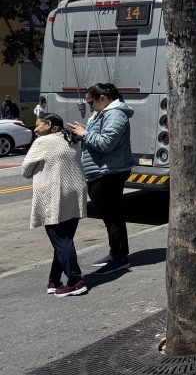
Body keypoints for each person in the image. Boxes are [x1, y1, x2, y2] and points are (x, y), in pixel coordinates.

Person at [69, 83, 133, 275]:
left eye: (90, 102)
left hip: (109, 172)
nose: (90, 106)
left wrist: (85, 133)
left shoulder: (115, 115)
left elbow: (106, 143)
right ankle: (116, 253)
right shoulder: (102, 113)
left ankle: (120, 257)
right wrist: (82, 132)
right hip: (100, 171)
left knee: (113, 216)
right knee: (109, 216)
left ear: (103, 98)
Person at [21, 113, 88, 297]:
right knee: (64, 239)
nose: (34, 129)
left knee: (61, 239)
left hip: (55, 194)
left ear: (49, 124)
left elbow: (25, 170)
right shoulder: (71, 138)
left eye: (37, 125)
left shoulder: (43, 141)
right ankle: (54, 280)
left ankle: (75, 280)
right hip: (75, 193)